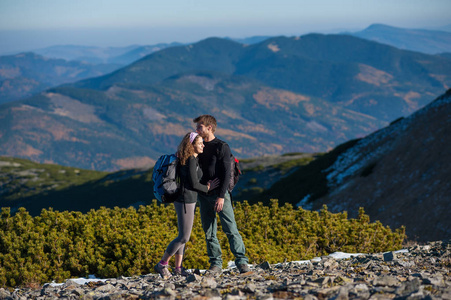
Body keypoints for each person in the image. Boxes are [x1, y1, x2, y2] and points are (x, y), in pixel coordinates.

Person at [154, 132, 219, 279]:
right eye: (200, 143)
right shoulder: (190, 160)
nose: (203, 145)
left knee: (182, 235)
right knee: (184, 237)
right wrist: (208, 188)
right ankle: (162, 264)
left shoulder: (191, 158)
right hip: (185, 199)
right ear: (192, 145)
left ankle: (178, 268)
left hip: (186, 198)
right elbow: (194, 183)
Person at [193, 115, 250, 275]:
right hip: (203, 194)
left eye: (200, 127)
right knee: (209, 231)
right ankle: (216, 264)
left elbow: (226, 174)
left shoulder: (221, 146)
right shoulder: (198, 146)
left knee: (230, 229)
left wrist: (221, 196)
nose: (197, 130)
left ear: (209, 127)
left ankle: (242, 262)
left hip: (220, 195)